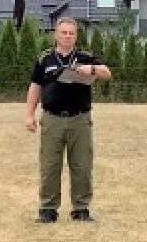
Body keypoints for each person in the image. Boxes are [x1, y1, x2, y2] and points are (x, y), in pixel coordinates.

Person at [25, 17, 111, 223]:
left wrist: (90, 69)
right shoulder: (44, 59)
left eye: (71, 33)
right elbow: (35, 86)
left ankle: (80, 209)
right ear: (55, 34)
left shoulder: (86, 56)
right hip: (52, 119)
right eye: (63, 32)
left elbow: (107, 73)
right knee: (49, 166)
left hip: (79, 120)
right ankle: (48, 209)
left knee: (82, 166)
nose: (67, 36)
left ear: (76, 36)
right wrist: (29, 114)